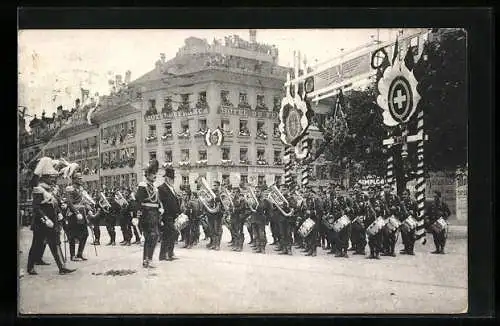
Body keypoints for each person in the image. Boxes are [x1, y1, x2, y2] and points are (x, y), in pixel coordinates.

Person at [26, 157, 75, 275]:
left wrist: (59, 213)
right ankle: (30, 267)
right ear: (44, 177)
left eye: (52, 177)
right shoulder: (38, 189)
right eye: (50, 177)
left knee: (55, 243)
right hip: (41, 223)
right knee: (36, 245)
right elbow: (36, 207)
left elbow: (54, 204)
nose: (52, 179)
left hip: (53, 222)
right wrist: (45, 219)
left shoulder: (51, 189)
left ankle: (62, 267)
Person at [135, 159, 161, 268]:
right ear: (147, 175)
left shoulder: (154, 188)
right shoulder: (143, 186)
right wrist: (136, 216)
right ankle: (146, 259)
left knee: (154, 237)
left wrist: (160, 208)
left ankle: (148, 258)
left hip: (154, 215)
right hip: (146, 215)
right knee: (150, 237)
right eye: (152, 174)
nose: (155, 176)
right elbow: (138, 201)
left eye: (155, 173)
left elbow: (157, 201)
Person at [65, 167, 91, 261]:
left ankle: (79, 253)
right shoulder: (69, 188)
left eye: (81, 178)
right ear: (74, 179)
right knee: (72, 236)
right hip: (73, 214)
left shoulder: (81, 188)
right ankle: (72, 255)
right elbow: (69, 203)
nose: (81, 180)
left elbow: (84, 201)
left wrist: (88, 208)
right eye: (79, 178)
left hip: (82, 213)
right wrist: (76, 212)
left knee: (85, 234)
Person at [158, 165, 181, 261]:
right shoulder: (161, 188)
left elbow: (174, 201)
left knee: (172, 234)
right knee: (169, 234)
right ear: (166, 178)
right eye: (171, 178)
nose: (173, 180)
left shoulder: (172, 188)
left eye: (173, 178)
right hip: (166, 216)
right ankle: (164, 254)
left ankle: (170, 253)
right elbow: (161, 203)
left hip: (173, 216)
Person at [205, 181, 223, 250]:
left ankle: (217, 244)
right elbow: (207, 201)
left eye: (215, 185)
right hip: (210, 213)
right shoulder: (210, 192)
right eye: (213, 185)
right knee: (211, 230)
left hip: (218, 214)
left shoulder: (221, 193)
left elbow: (224, 202)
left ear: (218, 186)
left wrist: (217, 199)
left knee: (217, 230)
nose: (214, 187)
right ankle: (213, 243)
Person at [399, 188, 418, 255]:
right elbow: (400, 212)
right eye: (403, 194)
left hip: (412, 221)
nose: (404, 196)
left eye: (405, 194)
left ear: (409, 195)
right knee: (404, 236)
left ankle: (411, 250)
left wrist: (413, 213)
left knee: (412, 236)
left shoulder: (414, 202)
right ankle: (406, 249)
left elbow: (417, 213)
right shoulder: (402, 203)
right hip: (404, 221)